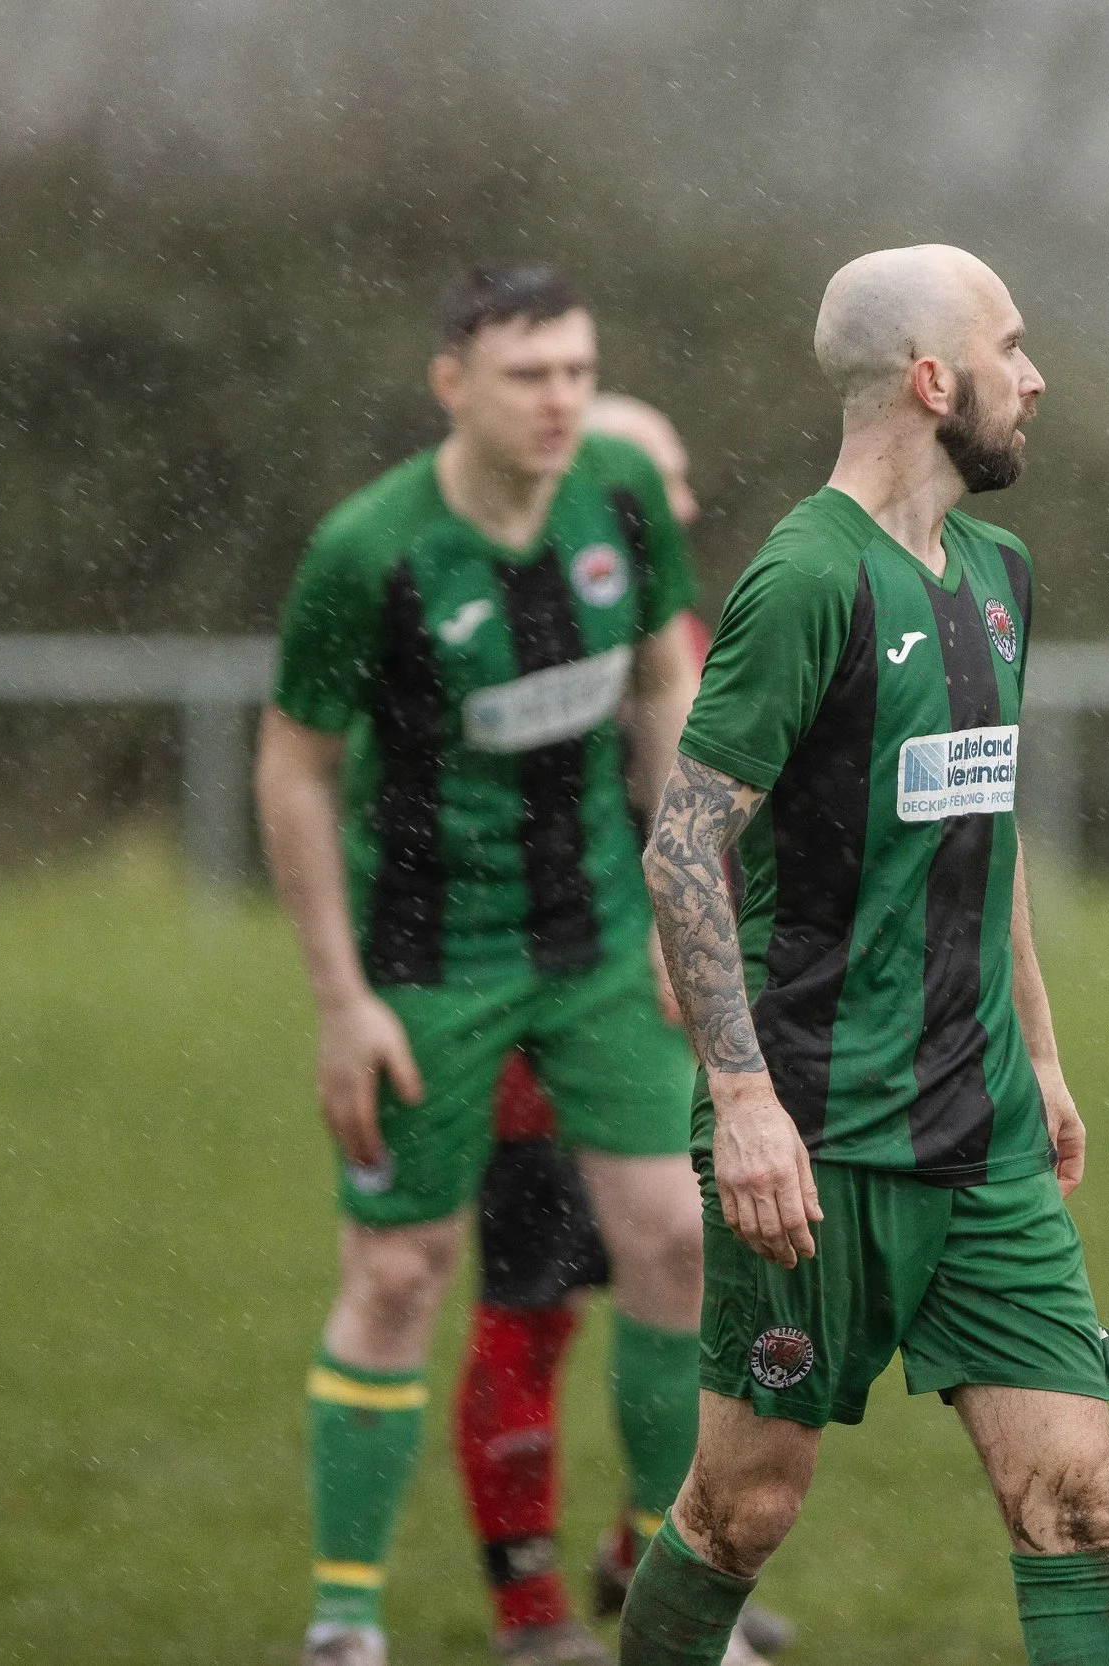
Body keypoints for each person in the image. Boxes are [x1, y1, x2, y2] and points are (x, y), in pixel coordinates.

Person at [625, 245, 1109, 1666]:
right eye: (1011, 347)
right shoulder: (803, 581)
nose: (1034, 378)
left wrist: (1038, 1049)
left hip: (979, 1130)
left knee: (1077, 1498)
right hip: (816, 1128)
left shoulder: (999, 574)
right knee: (744, 1511)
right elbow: (681, 848)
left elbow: (988, 824)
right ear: (932, 379)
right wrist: (742, 1104)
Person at [259, 266, 710, 1666]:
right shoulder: (368, 551)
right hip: (425, 965)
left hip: (594, 947)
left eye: (579, 367)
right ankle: (345, 1616)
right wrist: (340, 1002)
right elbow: (293, 769)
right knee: (399, 1270)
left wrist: (683, 907)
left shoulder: (625, 489)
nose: (562, 397)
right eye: (529, 373)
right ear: (452, 382)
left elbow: (663, 686)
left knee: (681, 1238)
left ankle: (659, 1576)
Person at [454, 391, 793, 1663]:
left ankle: (658, 1567)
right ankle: (530, 1611)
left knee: (691, 1276)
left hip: (671, 1027)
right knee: (532, 1300)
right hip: (541, 1028)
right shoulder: (520, 635)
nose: (684, 505)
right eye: (660, 479)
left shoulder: (677, 632)